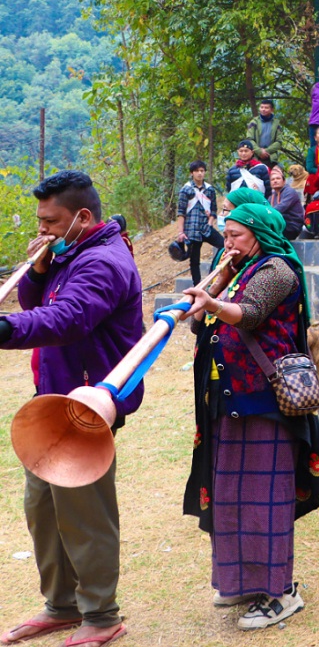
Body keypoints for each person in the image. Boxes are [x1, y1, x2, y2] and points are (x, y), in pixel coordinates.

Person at [0, 172, 141, 647]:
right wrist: (38, 271)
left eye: (51, 222)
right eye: (39, 222)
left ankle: (102, 615)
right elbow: (36, 302)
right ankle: (61, 606)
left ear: (83, 217)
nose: (43, 231)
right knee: (41, 506)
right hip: (52, 399)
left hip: (88, 399)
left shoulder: (103, 261)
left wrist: (5, 330)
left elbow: (68, 318)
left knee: (84, 511)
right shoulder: (69, 251)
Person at [180, 202, 319, 630]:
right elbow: (207, 323)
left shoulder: (277, 270)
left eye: (235, 235)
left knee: (266, 499)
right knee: (230, 493)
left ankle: (281, 593)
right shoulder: (240, 268)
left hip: (264, 400)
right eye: (225, 235)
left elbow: (248, 314)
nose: (226, 243)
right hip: (229, 397)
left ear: (260, 234)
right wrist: (217, 288)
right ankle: (242, 581)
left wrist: (213, 300)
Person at [176, 160, 224, 285]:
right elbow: (181, 212)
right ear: (192, 173)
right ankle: (197, 285)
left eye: (202, 171)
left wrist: (210, 221)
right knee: (194, 259)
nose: (200, 174)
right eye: (197, 171)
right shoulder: (186, 190)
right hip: (191, 229)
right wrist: (180, 232)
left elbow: (213, 209)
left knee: (223, 246)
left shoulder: (209, 190)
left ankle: (213, 275)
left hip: (206, 227)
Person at [267, 164, 304, 240]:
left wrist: (266, 214)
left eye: (278, 178)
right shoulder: (271, 197)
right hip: (279, 224)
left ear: (284, 181)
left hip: (291, 226)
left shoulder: (290, 192)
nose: (275, 181)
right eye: (272, 179)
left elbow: (281, 207)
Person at [245, 99, 283, 164]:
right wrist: (259, 151)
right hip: (255, 157)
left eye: (266, 108)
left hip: (271, 158)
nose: (263, 109)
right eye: (261, 107)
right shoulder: (254, 122)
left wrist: (266, 151)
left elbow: (279, 142)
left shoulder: (277, 124)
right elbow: (249, 139)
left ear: (272, 110)